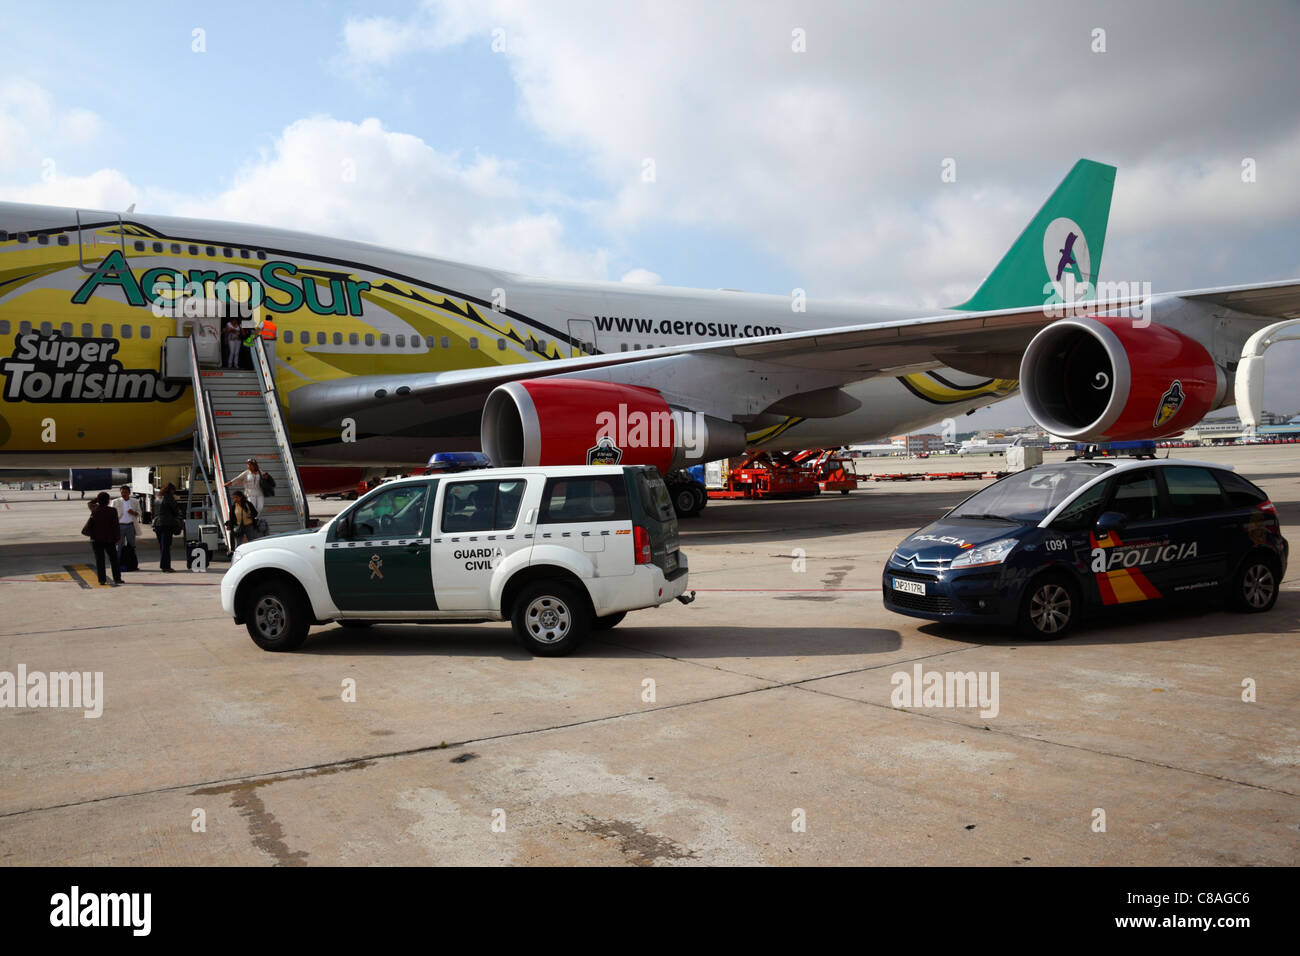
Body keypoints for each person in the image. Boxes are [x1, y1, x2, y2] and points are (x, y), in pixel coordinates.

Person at [86, 492, 122, 586]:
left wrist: (96, 499)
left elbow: (89, 503)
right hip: (109, 539)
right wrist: (117, 538)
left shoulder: (95, 509)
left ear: (99, 500)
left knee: (100, 560)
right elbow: (116, 526)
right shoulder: (112, 510)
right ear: (108, 500)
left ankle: (102, 580)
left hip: (96, 539)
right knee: (114, 559)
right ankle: (117, 578)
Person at [152, 483, 183, 572]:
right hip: (166, 524)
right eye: (173, 491)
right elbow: (175, 510)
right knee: (166, 546)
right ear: (171, 490)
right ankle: (166, 566)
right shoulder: (169, 498)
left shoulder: (158, 498)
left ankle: (164, 565)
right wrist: (179, 513)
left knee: (162, 546)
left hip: (157, 524)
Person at [112, 485, 140, 571]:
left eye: (125, 493)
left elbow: (139, 513)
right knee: (119, 547)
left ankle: (133, 564)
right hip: (120, 526)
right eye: (122, 493)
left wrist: (133, 512)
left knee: (132, 546)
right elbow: (112, 514)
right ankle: (118, 565)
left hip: (130, 526)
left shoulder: (134, 501)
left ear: (129, 493)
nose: (123, 494)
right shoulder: (115, 501)